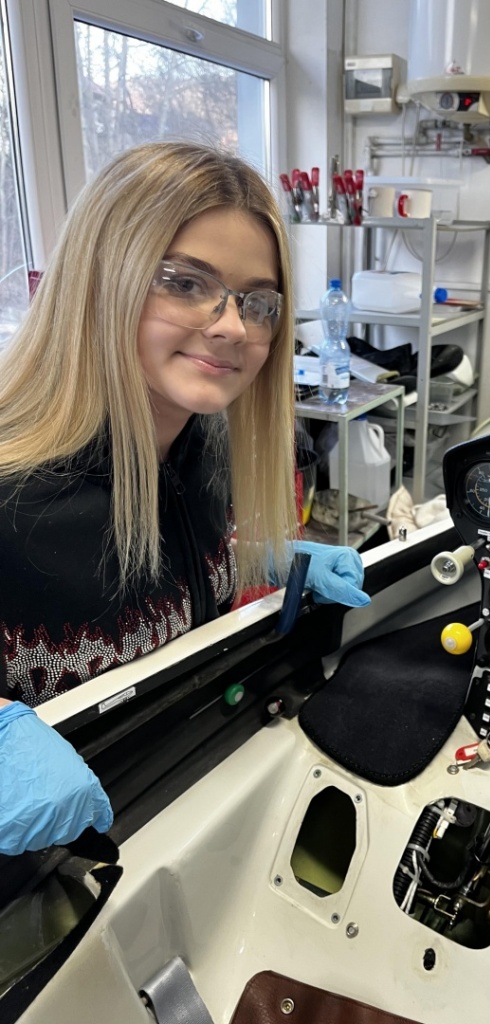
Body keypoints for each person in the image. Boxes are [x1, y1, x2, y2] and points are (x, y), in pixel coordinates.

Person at [0, 141, 370, 856]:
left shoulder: (208, 444)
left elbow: (165, 574)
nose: (234, 326)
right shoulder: (12, 482)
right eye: (185, 282)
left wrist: (257, 557)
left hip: (170, 811)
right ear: (101, 281)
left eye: (259, 302)